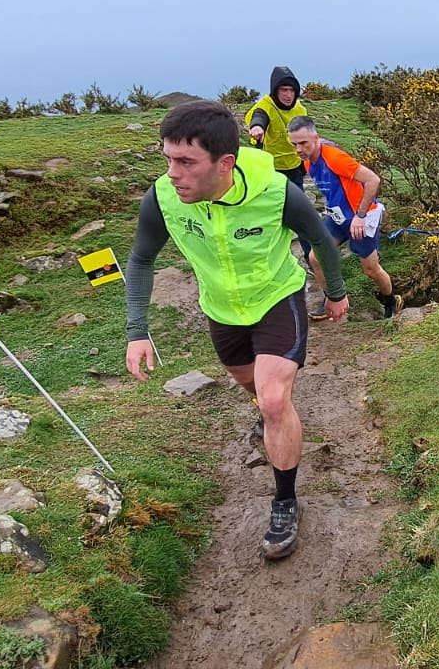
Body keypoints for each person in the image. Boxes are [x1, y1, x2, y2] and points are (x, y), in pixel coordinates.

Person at [125, 100, 349, 560]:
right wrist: (137, 329)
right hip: (222, 310)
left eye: (186, 162)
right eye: (168, 159)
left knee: (273, 399)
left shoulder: (275, 192)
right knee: (254, 389)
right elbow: (142, 258)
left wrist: (336, 292)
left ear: (224, 163)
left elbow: (322, 241)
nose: (173, 173)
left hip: (275, 299)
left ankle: (285, 500)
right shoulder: (163, 198)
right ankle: (271, 414)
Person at [288, 115, 403, 320]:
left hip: (360, 218)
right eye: (294, 144)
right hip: (337, 218)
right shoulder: (307, 162)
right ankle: (332, 299)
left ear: (316, 138)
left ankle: (391, 300)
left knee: (371, 269)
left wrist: (360, 216)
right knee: (316, 258)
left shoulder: (334, 158)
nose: (298, 149)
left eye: (303, 143)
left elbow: (372, 180)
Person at [245, 66, 309, 188]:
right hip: (272, 167)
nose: (289, 95)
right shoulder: (266, 106)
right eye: (284, 90)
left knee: (297, 203)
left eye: (292, 90)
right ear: (275, 90)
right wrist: (257, 127)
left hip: (295, 166)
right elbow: (259, 116)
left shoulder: (300, 109)